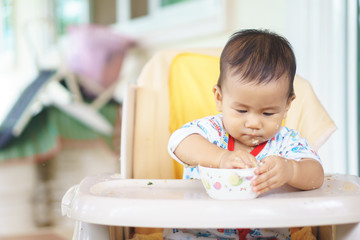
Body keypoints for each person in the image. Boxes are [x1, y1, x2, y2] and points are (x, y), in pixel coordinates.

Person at [164, 29, 324, 240]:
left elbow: (317, 175)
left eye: (268, 113)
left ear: (287, 105)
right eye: (241, 111)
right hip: (198, 232)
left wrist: (291, 170)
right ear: (219, 98)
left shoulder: (286, 142)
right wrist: (221, 157)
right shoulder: (211, 130)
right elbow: (179, 142)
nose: (253, 123)